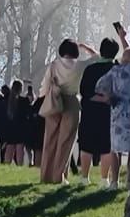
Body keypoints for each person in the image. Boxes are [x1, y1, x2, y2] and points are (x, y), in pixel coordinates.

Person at [39, 39, 98, 184]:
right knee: (65, 142)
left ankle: (46, 175)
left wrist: (44, 97)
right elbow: (97, 57)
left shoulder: (53, 65)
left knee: (49, 141)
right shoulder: (80, 65)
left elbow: (44, 86)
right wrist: (85, 47)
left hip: (54, 101)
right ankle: (59, 176)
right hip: (72, 102)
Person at [94, 47, 130, 186]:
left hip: (118, 112)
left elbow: (100, 85)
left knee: (115, 149)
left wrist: (110, 97)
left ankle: (114, 181)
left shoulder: (116, 71)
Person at [79, 37, 121, 185]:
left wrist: (97, 98)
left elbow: (84, 91)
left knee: (86, 144)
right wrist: (107, 100)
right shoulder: (117, 70)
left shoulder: (90, 69)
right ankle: (104, 179)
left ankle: (84, 177)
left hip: (90, 112)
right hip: (109, 113)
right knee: (107, 146)